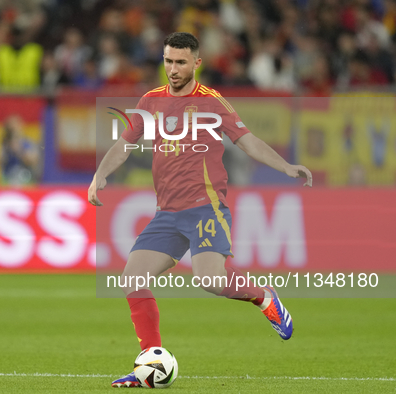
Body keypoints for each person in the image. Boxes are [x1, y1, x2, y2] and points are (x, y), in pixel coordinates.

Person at [87, 32, 313, 388]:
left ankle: (264, 297)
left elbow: (247, 140)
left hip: (207, 208)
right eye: (167, 61)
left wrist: (286, 167)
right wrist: (100, 175)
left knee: (209, 280)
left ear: (196, 63)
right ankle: (149, 360)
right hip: (167, 213)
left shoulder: (212, 102)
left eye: (180, 62)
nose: (173, 69)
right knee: (132, 278)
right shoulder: (150, 101)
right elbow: (124, 145)